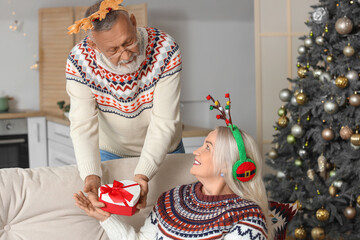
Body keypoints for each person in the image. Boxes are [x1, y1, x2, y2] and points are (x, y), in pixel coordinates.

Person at [65, 0, 183, 213]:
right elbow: (83, 124)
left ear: (134, 22)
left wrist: (143, 174)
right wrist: (91, 175)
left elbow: (164, 122)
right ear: (93, 46)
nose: (127, 55)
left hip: (166, 150)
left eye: (129, 42)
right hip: (113, 152)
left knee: (174, 214)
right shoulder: (79, 61)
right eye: (113, 50)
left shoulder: (165, 47)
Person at [74, 126, 274, 239]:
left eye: (208, 147)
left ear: (226, 164)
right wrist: (106, 218)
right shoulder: (173, 198)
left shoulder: (247, 217)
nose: (196, 151)